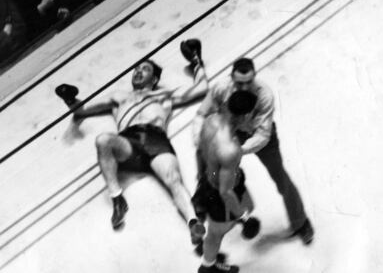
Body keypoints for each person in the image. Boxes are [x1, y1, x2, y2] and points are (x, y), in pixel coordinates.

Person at [55, 39, 207, 246]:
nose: (138, 72)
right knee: (103, 140)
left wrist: (197, 62)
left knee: (173, 179)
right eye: (136, 69)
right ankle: (117, 198)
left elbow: (201, 89)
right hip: (129, 141)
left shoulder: (163, 95)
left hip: (156, 139)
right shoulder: (118, 97)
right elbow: (82, 110)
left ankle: (193, 223)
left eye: (144, 69)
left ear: (154, 78)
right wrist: (69, 97)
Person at [193, 57, 314, 244]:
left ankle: (300, 222)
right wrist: (199, 138)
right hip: (232, 132)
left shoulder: (265, 95)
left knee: (281, 178)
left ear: (255, 77)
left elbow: (263, 135)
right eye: (239, 83)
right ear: (231, 77)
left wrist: (237, 151)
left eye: (248, 82)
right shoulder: (220, 87)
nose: (244, 87)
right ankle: (203, 200)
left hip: (259, 138)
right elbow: (202, 113)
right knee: (207, 163)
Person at [192, 90, 261, 273]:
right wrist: (242, 218)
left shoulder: (210, 121)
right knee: (216, 234)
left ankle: (209, 245)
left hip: (212, 179)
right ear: (245, 115)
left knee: (249, 204)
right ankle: (208, 265)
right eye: (252, 114)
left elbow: (199, 151)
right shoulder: (231, 149)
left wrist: (200, 176)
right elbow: (225, 192)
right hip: (221, 193)